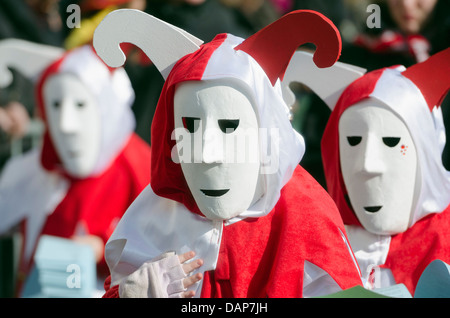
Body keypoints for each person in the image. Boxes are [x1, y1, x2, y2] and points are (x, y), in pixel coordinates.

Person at [93, 8, 363, 298]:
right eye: (191, 125)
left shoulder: (305, 215)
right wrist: (131, 295)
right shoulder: (156, 214)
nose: (206, 153)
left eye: (229, 125)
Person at [0, 42, 152, 295]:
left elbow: (164, 246)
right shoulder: (38, 169)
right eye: (56, 107)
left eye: (80, 105)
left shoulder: (139, 167)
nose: (67, 124)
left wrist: (102, 248)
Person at [314, 48, 450, 296]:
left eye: (391, 141)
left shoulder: (445, 238)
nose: (367, 165)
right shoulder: (318, 240)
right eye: (353, 140)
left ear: (426, 153)